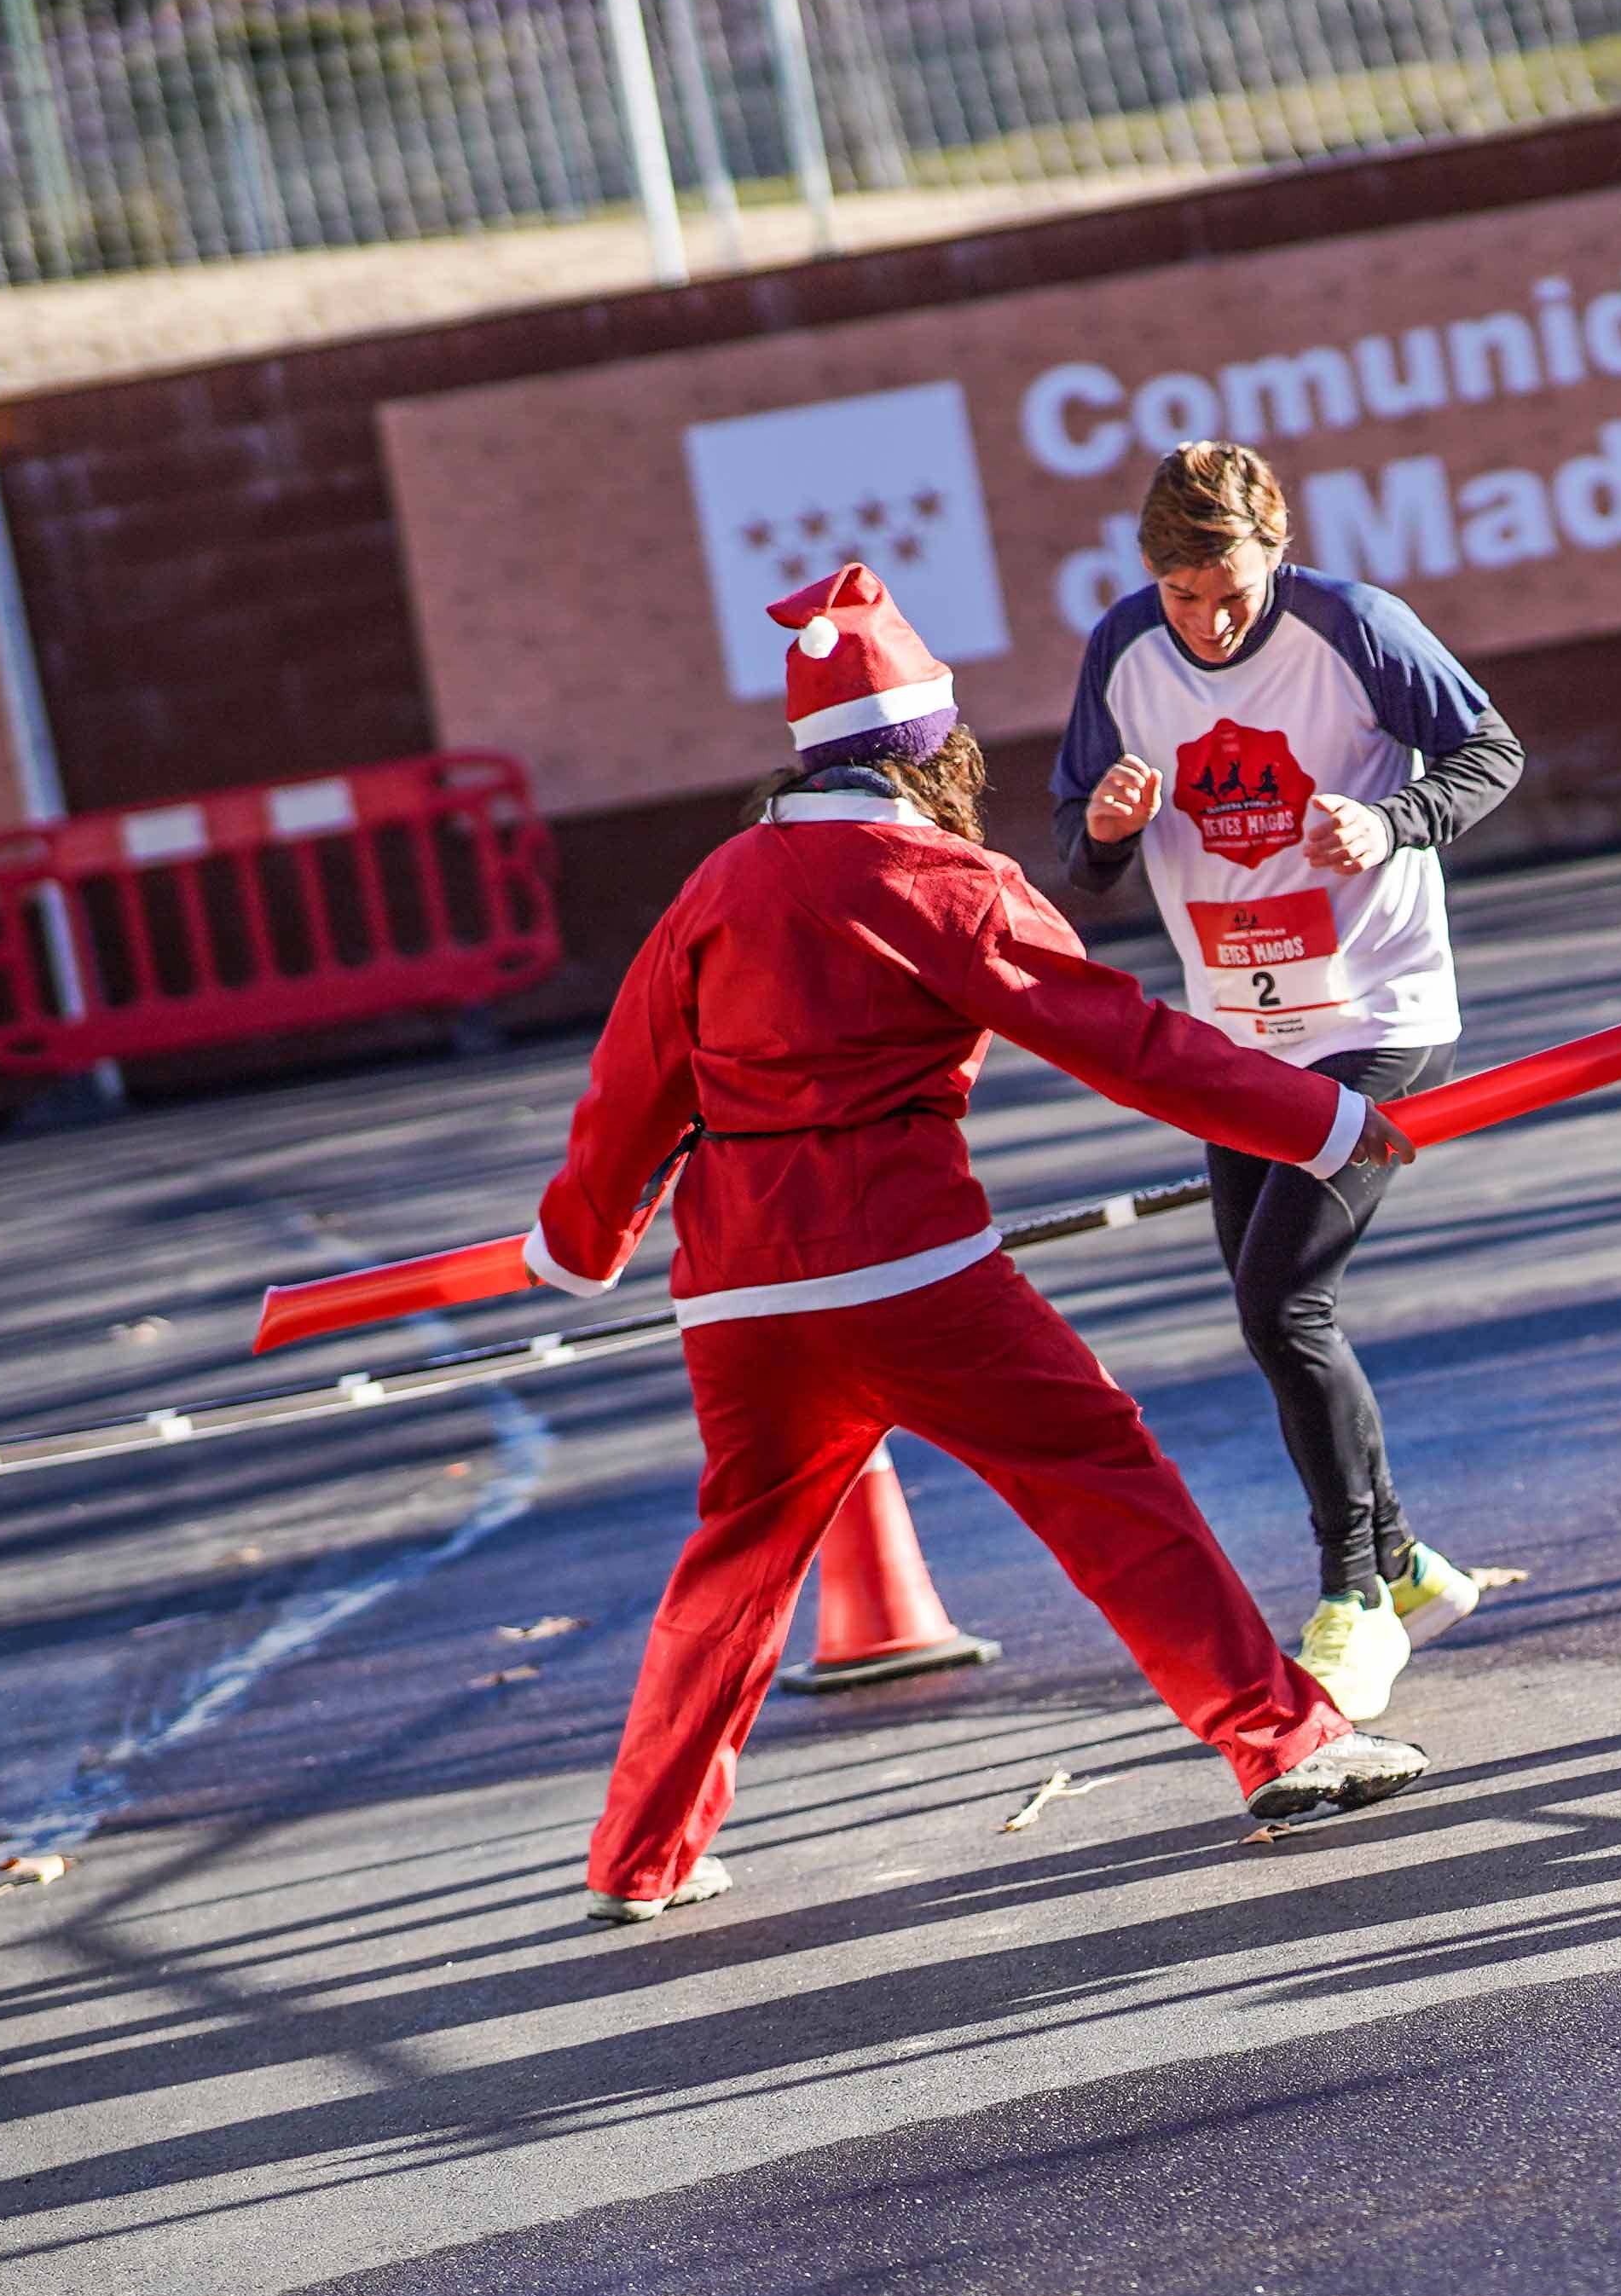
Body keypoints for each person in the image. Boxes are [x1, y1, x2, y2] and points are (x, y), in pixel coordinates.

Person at [542, 558, 1432, 1921]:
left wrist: (581, 1243)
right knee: (1104, 1481)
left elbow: (629, 1091)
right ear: (927, 748)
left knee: (735, 1564)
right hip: (912, 1274)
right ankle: (1282, 1743)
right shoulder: (946, 877)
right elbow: (1120, 1039)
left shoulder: (717, 884)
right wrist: (1320, 1121)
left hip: (737, 1298)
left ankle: (639, 1858)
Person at [1054, 441, 1526, 1721]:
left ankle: (1354, 1601)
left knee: (1282, 1304)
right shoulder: (1122, 649)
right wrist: (1101, 827)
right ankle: (1409, 1562)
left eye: (1232, 591)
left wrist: (1390, 821)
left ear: (1278, 547)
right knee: (1273, 1318)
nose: (1208, 619)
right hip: (1234, 1038)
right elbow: (1081, 854)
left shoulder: (1356, 626)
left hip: (1379, 1014)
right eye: (1181, 594)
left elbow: (1491, 755)